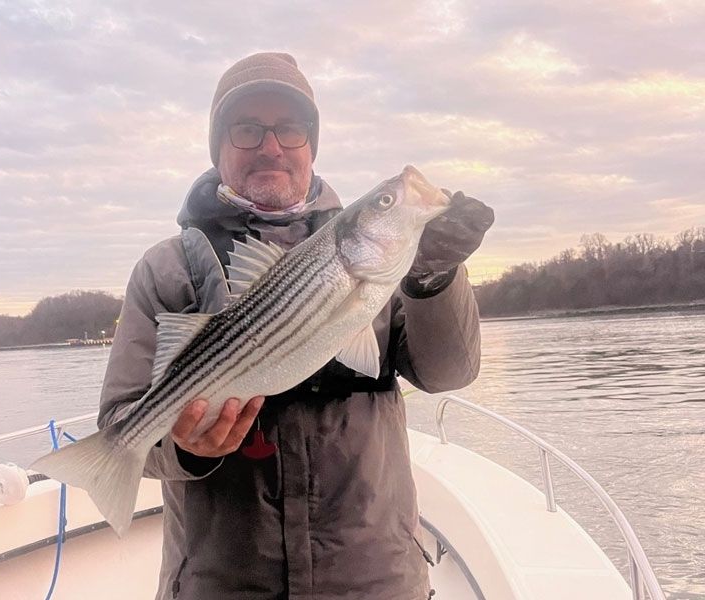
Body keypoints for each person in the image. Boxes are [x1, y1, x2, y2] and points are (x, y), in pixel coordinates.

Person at [99, 52, 494, 600]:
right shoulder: (164, 270)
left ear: (311, 145)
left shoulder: (388, 263)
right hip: (224, 585)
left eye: (290, 129)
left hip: (374, 578)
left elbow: (450, 372)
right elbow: (123, 418)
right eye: (247, 130)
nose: (271, 146)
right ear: (218, 147)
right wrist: (186, 447)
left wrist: (434, 276)